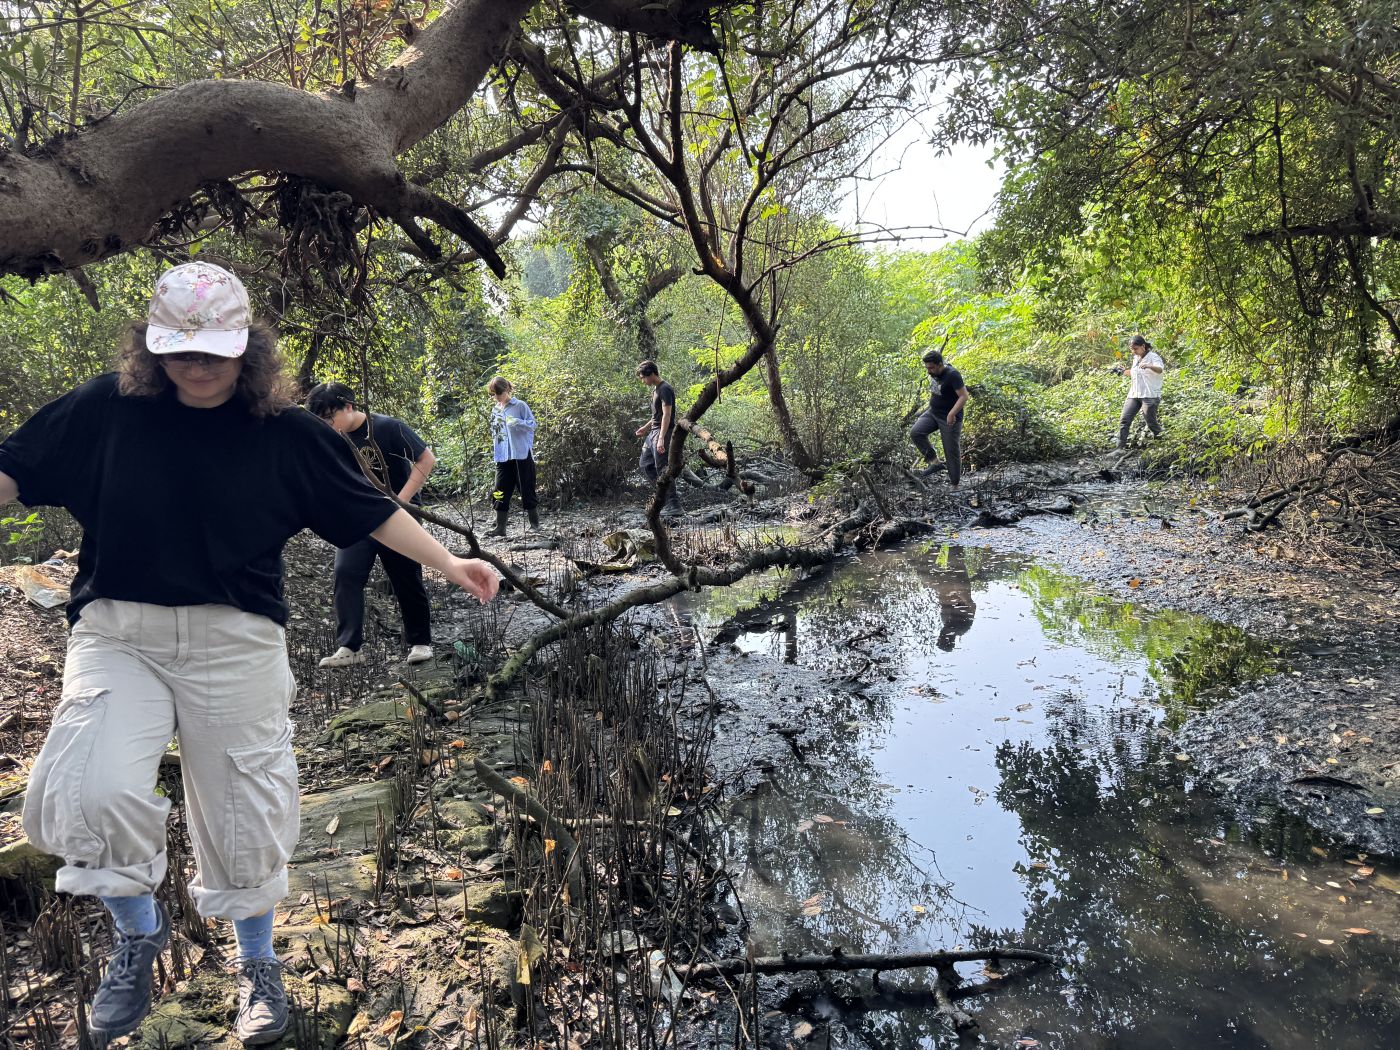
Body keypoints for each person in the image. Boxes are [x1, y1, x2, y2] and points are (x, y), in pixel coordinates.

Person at [0, 262, 499, 1047]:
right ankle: (138, 937)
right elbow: (14, 470)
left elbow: (368, 510)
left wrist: (451, 565)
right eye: (178, 351)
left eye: (214, 352)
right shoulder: (106, 408)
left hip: (236, 640)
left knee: (243, 814)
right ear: (150, 347)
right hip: (118, 632)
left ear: (249, 351)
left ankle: (256, 965)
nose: (195, 367)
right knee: (85, 786)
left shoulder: (290, 433)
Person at [305, 382, 440, 668]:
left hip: (398, 515)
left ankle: (420, 642)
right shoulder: (331, 438)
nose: (328, 424)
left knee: (405, 576)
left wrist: (400, 501)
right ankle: (350, 647)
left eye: (330, 417)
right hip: (359, 518)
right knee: (346, 573)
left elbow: (426, 459)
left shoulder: (388, 427)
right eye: (321, 420)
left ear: (350, 407)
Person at [484, 376, 539, 537]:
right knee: (499, 490)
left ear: (507, 390)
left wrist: (517, 423)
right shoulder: (496, 409)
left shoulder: (520, 406)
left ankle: (535, 526)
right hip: (503, 456)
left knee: (526, 488)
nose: (496, 397)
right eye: (493, 395)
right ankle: (500, 528)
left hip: (521, 454)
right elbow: (495, 433)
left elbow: (532, 425)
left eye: (498, 394)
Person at [910, 349, 968, 487]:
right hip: (933, 412)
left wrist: (952, 413)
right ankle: (935, 462)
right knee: (916, 432)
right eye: (927, 368)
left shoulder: (952, 375)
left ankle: (955, 485)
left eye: (931, 368)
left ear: (940, 364)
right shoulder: (934, 372)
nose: (928, 371)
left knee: (951, 450)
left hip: (950, 417)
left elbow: (964, 396)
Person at [634, 360, 684, 517]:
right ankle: (664, 498)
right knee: (645, 464)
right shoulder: (655, 389)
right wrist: (645, 427)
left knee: (662, 469)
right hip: (653, 433)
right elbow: (657, 415)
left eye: (643, 377)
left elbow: (667, 415)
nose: (643, 381)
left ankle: (674, 505)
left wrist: (661, 438)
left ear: (651, 374)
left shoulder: (665, 389)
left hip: (663, 432)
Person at [1117, 334, 1165, 449]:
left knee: (1151, 422)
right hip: (1134, 394)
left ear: (1143, 346)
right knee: (1124, 420)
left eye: (1135, 349)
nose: (1133, 351)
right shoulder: (1136, 358)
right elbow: (1134, 373)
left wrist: (1149, 366)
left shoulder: (1153, 357)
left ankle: (1163, 445)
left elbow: (1160, 369)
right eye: (1132, 349)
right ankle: (1119, 448)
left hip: (1149, 394)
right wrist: (1123, 371)